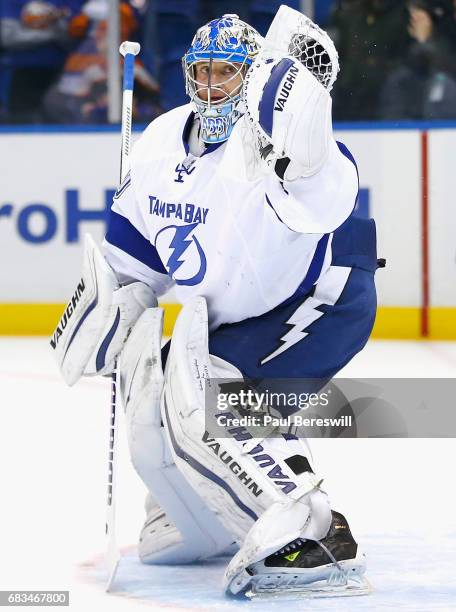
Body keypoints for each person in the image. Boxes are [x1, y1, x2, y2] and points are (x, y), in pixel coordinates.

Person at [50, 9, 378, 599]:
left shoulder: (275, 141)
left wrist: (303, 148)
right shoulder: (159, 140)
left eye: (225, 74)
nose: (209, 87)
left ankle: (313, 527)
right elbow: (134, 255)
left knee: (215, 396)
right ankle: (195, 515)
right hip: (233, 313)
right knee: (157, 384)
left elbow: (331, 191)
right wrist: (115, 303)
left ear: (254, 77)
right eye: (199, 73)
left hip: (321, 292)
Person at [379, 0, 456, 119]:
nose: (416, 21)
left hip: (437, 116)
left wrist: (424, 43)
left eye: (420, 18)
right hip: (403, 118)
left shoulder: (445, 41)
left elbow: (444, 67)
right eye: (413, 18)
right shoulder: (396, 42)